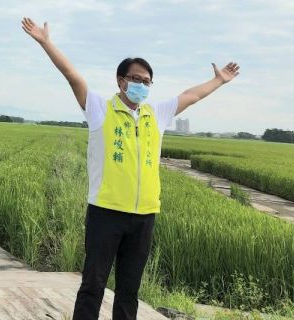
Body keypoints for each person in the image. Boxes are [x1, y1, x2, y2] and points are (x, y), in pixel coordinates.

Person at [21, 17, 240, 320]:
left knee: (129, 289)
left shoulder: (156, 114)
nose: (141, 85)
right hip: (106, 213)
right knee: (93, 285)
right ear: (121, 80)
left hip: (144, 216)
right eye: (135, 79)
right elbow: (73, 76)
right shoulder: (100, 109)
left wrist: (218, 80)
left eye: (147, 81)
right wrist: (46, 42)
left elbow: (192, 95)